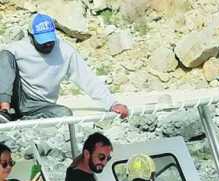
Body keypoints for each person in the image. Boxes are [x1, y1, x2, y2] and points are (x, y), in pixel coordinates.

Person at [0, 13, 128, 123]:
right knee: (5, 56)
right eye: (43, 41)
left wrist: (112, 104)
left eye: (50, 40)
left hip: (41, 106)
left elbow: (88, 80)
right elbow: (3, 74)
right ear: (30, 36)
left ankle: (21, 121)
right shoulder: (16, 49)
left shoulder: (65, 52)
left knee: (64, 113)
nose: (48, 44)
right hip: (17, 98)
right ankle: (4, 112)